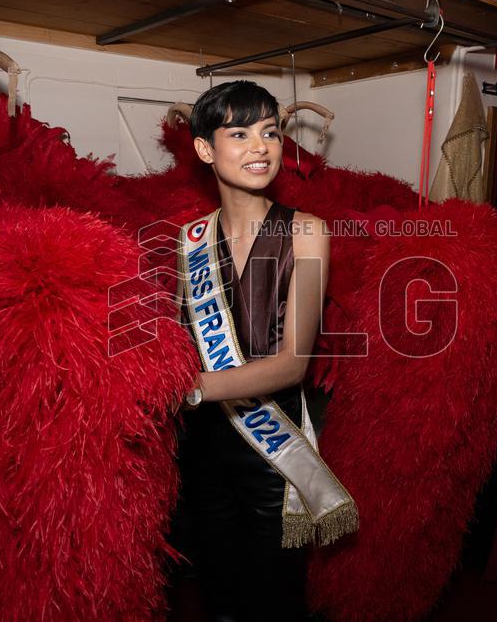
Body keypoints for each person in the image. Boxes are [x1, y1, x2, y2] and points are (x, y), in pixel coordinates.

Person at [169, 81, 357, 621]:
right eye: (240, 132)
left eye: (270, 132)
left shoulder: (308, 232)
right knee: (219, 598)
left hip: (270, 455)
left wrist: (191, 389)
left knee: (274, 602)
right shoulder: (188, 240)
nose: (261, 146)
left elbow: (293, 362)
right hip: (202, 449)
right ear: (205, 149)